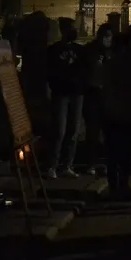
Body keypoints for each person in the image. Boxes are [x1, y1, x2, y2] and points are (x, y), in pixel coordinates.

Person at [100, 32, 131, 199]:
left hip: (115, 113)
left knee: (115, 153)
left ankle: (116, 186)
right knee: (124, 152)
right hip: (126, 113)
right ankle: (121, 185)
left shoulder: (112, 63)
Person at [46, 17, 85, 178]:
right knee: (59, 131)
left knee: (73, 131)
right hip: (61, 94)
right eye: (71, 28)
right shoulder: (54, 50)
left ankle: (67, 165)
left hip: (76, 94)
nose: (74, 31)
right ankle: (52, 166)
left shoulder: (79, 50)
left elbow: (85, 69)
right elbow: (49, 72)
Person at [82, 23, 114, 176]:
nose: (107, 39)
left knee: (108, 132)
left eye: (109, 36)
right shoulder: (90, 50)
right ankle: (91, 162)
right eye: (105, 36)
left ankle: (106, 162)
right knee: (93, 131)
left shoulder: (112, 52)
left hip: (107, 94)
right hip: (93, 93)